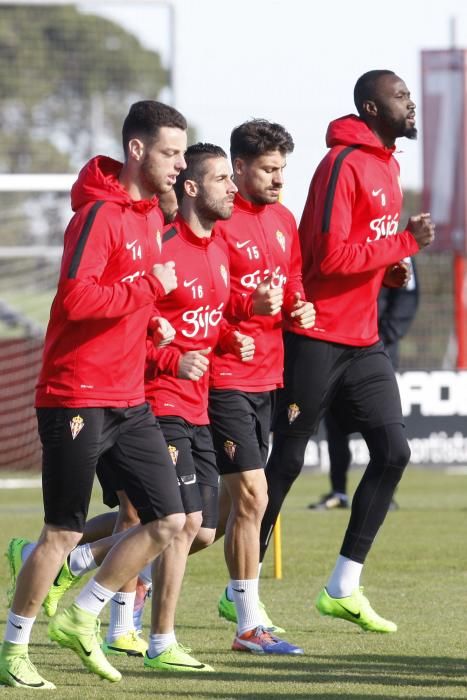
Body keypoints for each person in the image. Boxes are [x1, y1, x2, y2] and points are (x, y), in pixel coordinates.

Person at [0, 100, 188, 689]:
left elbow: (128, 298)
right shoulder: (99, 216)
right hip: (75, 395)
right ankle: (12, 647)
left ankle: (83, 616)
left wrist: (151, 319)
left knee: (171, 519)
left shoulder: (149, 218)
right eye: (170, 152)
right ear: (137, 149)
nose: (179, 165)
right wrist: (145, 290)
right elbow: (77, 300)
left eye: (183, 153)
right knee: (61, 533)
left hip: (128, 397)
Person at [259, 70, 435, 633]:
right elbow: (329, 257)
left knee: (394, 452)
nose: (410, 104)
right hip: (314, 336)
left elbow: (361, 252)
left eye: (408, 95)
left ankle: (343, 586)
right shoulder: (342, 163)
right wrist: (403, 242)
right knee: (282, 466)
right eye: (400, 96)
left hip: (363, 341)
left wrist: (389, 267)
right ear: (370, 106)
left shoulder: (388, 162)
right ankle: (243, 591)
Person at [210, 119, 315, 655]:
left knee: (210, 523)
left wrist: (299, 302)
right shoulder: (218, 223)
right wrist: (245, 309)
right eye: (270, 169)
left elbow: (292, 278)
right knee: (255, 496)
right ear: (240, 167)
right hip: (220, 378)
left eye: (282, 169)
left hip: (266, 379)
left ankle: (92, 566)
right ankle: (249, 623)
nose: (278, 180)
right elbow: (201, 297)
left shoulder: (283, 219)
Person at [141, 142, 244, 672]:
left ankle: (79, 559)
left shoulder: (221, 249)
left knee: (203, 528)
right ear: (190, 187)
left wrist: (230, 339)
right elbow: (129, 331)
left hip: (199, 406)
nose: (232, 187)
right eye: (222, 178)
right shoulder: (160, 246)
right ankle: (160, 642)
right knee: (177, 523)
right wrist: (170, 361)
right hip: (157, 403)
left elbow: (208, 319)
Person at [311, 257, 419, 510]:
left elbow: (408, 297)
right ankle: (339, 492)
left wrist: (384, 335)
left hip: (376, 351)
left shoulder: (397, 246)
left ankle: (385, 493)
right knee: (335, 425)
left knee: (383, 427)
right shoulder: (344, 245)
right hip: (338, 346)